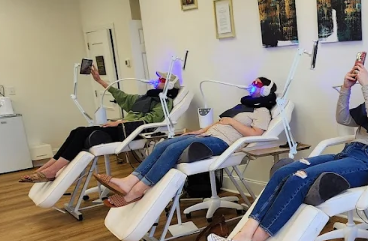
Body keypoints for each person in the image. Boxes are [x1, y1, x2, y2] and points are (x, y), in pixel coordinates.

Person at [204, 64, 368, 241]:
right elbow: (343, 118)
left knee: (300, 179)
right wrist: (346, 88)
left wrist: (366, 86)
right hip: (347, 154)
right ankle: (243, 234)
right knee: (286, 171)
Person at [96, 78, 276, 207]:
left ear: (266, 91)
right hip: (209, 136)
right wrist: (199, 131)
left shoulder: (262, 111)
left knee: (174, 148)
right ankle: (128, 181)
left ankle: (136, 192)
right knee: (163, 144)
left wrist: (232, 122)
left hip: (223, 143)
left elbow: (256, 133)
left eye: (257, 84)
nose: (251, 86)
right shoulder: (240, 107)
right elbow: (220, 122)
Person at [19, 66, 178, 183]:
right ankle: (47, 168)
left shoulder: (165, 102)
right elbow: (121, 96)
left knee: (83, 133)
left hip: (130, 131)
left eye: (162, 80)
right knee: (78, 131)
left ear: (169, 85)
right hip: (120, 127)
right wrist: (100, 81)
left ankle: (52, 171)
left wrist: (119, 122)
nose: (157, 81)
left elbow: (151, 119)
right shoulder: (145, 97)